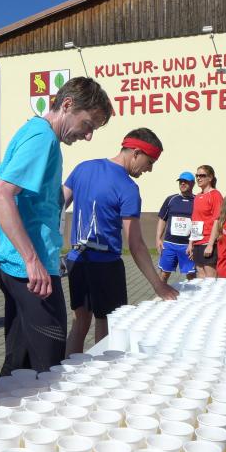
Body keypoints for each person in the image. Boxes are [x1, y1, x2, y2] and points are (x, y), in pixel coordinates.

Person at [0, 77, 113, 375]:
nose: (88, 135)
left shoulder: (31, 131)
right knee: (49, 366)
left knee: (20, 364)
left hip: (17, 267)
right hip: (32, 273)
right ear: (67, 105)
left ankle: (3, 406)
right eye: (88, 124)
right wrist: (31, 259)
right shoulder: (43, 139)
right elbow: (0, 195)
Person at [64, 128, 179, 354]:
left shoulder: (83, 168)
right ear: (136, 153)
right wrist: (158, 285)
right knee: (107, 326)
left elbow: (57, 205)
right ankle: (101, 372)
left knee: (79, 323)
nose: (149, 169)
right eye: (150, 162)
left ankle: (67, 370)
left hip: (76, 261)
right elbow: (135, 244)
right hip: (105, 265)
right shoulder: (128, 188)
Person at [156, 172, 196, 282]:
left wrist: (193, 244)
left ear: (193, 184)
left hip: (187, 246)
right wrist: (158, 239)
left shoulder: (197, 201)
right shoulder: (171, 199)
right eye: (180, 181)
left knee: (191, 276)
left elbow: (198, 223)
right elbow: (162, 219)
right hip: (169, 245)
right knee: (164, 274)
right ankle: (160, 291)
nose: (182, 183)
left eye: (186, 181)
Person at [187, 165, 222, 277]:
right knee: (200, 277)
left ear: (210, 178)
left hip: (208, 242)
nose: (198, 178)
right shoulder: (197, 196)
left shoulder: (215, 195)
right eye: (197, 175)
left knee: (210, 280)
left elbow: (217, 220)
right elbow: (195, 221)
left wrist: (211, 244)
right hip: (197, 242)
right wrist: (191, 243)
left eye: (202, 175)